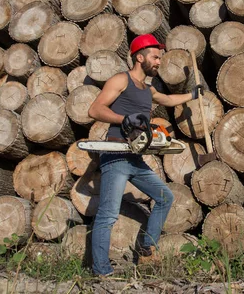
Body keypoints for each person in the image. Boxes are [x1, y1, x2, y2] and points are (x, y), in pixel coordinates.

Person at [87, 34, 203, 277]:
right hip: (117, 154)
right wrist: (124, 119)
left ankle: (148, 245)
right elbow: (94, 109)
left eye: (159, 57)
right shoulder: (121, 80)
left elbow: (169, 99)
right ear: (139, 57)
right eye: (155, 57)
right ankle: (101, 272)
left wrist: (192, 96)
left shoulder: (148, 90)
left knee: (164, 197)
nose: (159, 62)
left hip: (135, 157)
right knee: (108, 215)